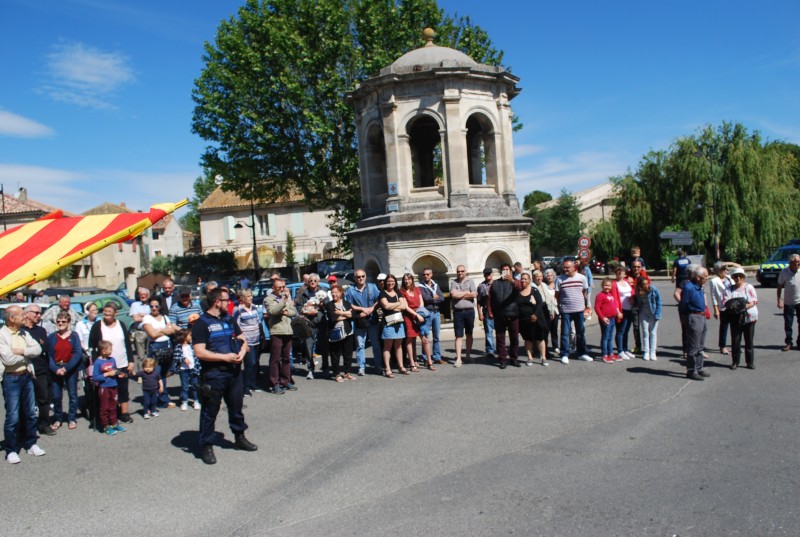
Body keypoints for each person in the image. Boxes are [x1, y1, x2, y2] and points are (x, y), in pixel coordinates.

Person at [192, 287, 257, 465]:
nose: (229, 303)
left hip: (234, 373)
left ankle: (239, 436)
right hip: (214, 374)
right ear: (216, 302)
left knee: (236, 408)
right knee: (209, 411)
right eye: (226, 300)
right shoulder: (201, 324)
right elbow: (199, 352)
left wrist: (242, 352)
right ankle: (206, 445)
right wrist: (224, 357)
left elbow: (243, 339)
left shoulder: (228, 319)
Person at [0, 305, 45, 463]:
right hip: (11, 378)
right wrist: (27, 352)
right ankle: (11, 450)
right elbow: (8, 359)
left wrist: (21, 351)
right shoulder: (2, 335)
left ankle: (31, 443)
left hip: (26, 376)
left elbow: (38, 349)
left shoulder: (24, 332)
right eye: (21, 315)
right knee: (13, 416)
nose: (25, 317)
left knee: (31, 413)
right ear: (12, 318)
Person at [89, 302, 135, 423]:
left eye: (110, 311)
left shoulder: (121, 324)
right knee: (108, 392)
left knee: (123, 389)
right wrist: (96, 363)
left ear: (116, 313)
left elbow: (127, 344)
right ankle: (108, 414)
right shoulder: (97, 326)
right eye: (105, 311)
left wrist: (131, 361)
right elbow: (92, 346)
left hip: (122, 362)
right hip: (106, 366)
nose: (107, 313)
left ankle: (124, 413)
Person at [21, 304, 56, 437]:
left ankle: (44, 424)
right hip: (25, 369)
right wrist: (37, 346)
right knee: (25, 400)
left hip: (41, 369)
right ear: (27, 313)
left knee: (43, 399)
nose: (38, 315)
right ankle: (25, 427)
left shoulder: (41, 330)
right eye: (35, 313)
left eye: (39, 313)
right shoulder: (21, 330)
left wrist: (38, 346)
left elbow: (46, 347)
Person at [48, 312, 82, 430]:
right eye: (58, 321)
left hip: (70, 369)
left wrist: (66, 368)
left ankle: (72, 418)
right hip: (56, 369)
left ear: (68, 322)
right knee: (56, 396)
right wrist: (56, 369)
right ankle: (58, 418)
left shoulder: (74, 336)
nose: (60, 324)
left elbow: (77, 353)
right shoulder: (52, 337)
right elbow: (49, 355)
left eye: (63, 321)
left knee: (72, 395)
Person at [345, 269, 381, 375]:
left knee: (375, 344)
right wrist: (363, 309)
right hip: (360, 321)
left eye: (362, 276)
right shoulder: (350, 290)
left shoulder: (372, 287)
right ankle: (361, 367)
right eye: (358, 277)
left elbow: (379, 300)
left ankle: (378, 366)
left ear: (365, 276)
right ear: (355, 278)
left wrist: (370, 309)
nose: (361, 278)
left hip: (372, 320)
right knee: (360, 345)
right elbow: (349, 304)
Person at [142, 298, 178, 408]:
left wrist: (160, 331)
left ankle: (162, 398)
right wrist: (164, 330)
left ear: (160, 307)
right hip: (155, 348)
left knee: (164, 374)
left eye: (156, 306)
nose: (154, 308)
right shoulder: (147, 318)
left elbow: (171, 331)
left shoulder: (165, 317)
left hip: (167, 347)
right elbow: (152, 334)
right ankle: (160, 399)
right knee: (155, 375)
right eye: (151, 306)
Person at [555, 259, 592, 363]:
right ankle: (564, 354)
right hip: (566, 310)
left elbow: (584, 292)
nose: (565, 269)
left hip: (579, 309)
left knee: (580, 332)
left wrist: (586, 306)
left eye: (567, 267)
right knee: (565, 333)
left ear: (573, 267)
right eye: (564, 267)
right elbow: (557, 295)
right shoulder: (560, 279)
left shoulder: (582, 278)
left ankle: (582, 353)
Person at [265, 278, 297, 394]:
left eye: (284, 287)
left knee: (287, 358)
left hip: (288, 330)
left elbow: (294, 311)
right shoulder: (269, 299)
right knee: (275, 359)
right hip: (277, 331)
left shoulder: (287, 298)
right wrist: (283, 302)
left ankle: (285, 380)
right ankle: (275, 383)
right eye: (279, 287)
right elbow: (273, 311)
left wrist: (287, 311)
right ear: (273, 288)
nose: (282, 289)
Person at [679, 265, 710, 381]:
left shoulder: (700, 286)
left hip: (701, 316)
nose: (707, 278)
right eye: (705, 276)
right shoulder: (689, 287)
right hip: (694, 317)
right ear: (698, 277)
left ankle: (699, 367)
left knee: (700, 346)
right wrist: (684, 317)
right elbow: (683, 304)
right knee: (694, 346)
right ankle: (691, 370)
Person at [723, 268, 758, 370]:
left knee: (749, 340)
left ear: (743, 277)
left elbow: (753, 301)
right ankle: (735, 362)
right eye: (735, 276)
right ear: (732, 278)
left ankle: (750, 362)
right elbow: (727, 303)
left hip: (749, 318)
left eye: (740, 276)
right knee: (735, 340)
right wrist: (740, 305)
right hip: (735, 318)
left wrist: (740, 307)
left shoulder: (749, 287)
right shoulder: (728, 289)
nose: (738, 278)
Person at [295, 273, 329, 377]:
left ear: (318, 282)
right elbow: (299, 306)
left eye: (314, 280)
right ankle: (311, 368)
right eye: (311, 281)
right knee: (308, 346)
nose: (313, 282)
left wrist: (320, 305)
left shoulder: (324, 292)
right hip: (309, 323)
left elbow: (329, 305)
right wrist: (306, 311)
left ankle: (325, 367)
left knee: (324, 346)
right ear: (308, 282)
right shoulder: (303, 293)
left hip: (322, 323)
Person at [488, 262, 520, 368]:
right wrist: (490, 311)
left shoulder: (515, 282)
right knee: (500, 338)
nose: (505, 271)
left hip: (513, 313)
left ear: (511, 271)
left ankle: (513, 358)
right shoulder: (495, 283)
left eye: (507, 269)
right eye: (503, 270)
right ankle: (502, 359)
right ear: (500, 271)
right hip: (500, 315)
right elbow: (490, 299)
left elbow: (520, 289)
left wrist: (512, 281)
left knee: (514, 338)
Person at [92, 340, 127, 436]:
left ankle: (114, 423)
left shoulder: (112, 360)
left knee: (113, 405)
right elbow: (95, 377)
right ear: (103, 351)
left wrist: (119, 374)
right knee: (105, 407)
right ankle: (105, 425)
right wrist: (107, 374)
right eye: (110, 349)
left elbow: (115, 370)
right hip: (104, 387)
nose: (111, 351)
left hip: (114, 385)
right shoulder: (98, 362)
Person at [399, 273, 433, 371]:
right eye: (405, 279)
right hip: (409, 317)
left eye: (409, 279)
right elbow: (405, 306)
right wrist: (416, 315)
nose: (407, 281)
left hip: (419, 316)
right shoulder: (402, 291)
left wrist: (420, 313)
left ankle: (429, 361)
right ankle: (412, 363)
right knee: (410, 340)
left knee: (425, 339)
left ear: (412, 280)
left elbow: (421, 301)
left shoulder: (417, 289)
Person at [233, 289, 262, 396]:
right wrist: (242, 343)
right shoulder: (238, 310)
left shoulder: (254, 307)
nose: (251, 298)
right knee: (250, 363)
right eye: (248, 296)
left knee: (256, 363)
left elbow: (258, 322)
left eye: (251, 296)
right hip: (247, 341)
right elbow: (236, 327)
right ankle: (245, 386)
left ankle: (253, 383)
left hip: (256, 340)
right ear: (243, 299)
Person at [379, 274, 407, 377]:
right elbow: (385, 306)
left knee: (399, 346)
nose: (390, 283)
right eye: (388, 281)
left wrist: (392, 306)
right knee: (388, 346)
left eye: (392, 281)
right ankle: (387, 368)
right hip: (388, 323)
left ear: (395, 282)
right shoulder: (382, 293)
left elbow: (404, 306)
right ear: (386, 282)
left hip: (398, 322)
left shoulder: (398, 292)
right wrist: (397, 304)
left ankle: (401, 366)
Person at [326, 284, 356, 382]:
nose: (334, 294)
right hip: (335, 332)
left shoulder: (346, 303)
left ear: (341, 293)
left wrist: (340, 313)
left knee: (348, 353)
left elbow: (353, 314)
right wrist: (346, 314)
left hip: (347, 331)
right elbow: (333, 318)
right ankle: (336, 374)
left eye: (336, 292)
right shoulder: (330, 305)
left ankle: (347, 373)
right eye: (332, 292)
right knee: (335, 354)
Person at [518, 273, 549, 366]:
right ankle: (529, 357)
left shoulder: (534, 290)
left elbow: (540, 303)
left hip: (536, 318)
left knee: (540, 338)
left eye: (525, 279)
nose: (523, 281)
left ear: (529, 280)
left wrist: (535, 314)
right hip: (524, 320)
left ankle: (543, 357)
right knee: (528, 339)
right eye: (522, 279)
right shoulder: (518, 292)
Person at [450, 265, 477, 367]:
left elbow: (474, 294)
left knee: (469, 334)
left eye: (462, 271)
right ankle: (458, 358)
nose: (460, 273)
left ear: (465, 271)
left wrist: (460, 294)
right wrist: (466, 292)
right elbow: (453, 295)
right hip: (458, 312)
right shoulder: (453, 282)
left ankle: (468, 355)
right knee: (458, 335)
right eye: (458, 271)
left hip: (469, 311)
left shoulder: (471, 281)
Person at [418, 267, 445, 364]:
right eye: (424, 274)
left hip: (436, 312)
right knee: (426, 336)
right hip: (427, 312)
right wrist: (433, 298)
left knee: (436, 336)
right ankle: (426, 358)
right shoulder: (421, 286)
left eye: (428, 274)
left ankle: (437, 357)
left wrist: (433, 298)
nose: (426, 276)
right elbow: (426, 298)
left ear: (431, 274)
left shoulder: (436, 285)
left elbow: (441, 298)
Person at [634, 275, 662, 361]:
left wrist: (657, 314)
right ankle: (646, 352)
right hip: (643, 313)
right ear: (640, 285)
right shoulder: (638, 292)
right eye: (644, 284)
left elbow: (659, 302)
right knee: (645, 332)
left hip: (653, 313)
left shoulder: (654, 289)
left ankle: (652, 352)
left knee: (653, 333)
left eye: (647, 283)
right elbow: (638, 303)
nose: (646, 286)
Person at [173, 328, 201, 410]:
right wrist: (183, 359)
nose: (191, 336)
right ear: (184, 337)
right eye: (189, 335)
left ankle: (196, 401)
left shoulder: (192, 346)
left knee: (195, 385)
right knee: (185, 386)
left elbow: (196, 356)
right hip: (183, 369)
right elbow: (176, 357)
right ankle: (184, 402)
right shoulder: (178, 347)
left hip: (193, 368)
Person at [776, 253, 800, 351]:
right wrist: (779, 299)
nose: (798, 264)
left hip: (799, 302)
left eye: (799, 262)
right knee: (788, 324)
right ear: (790, 263)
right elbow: (779, 286)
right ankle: (788, 342)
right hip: (788, 302)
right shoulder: (784, 272)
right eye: (795, 262)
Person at [709, 262, 734, 355]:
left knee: (735, 326)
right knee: (724, 326)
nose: (725, 271)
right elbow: (713, 296)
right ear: (717, 271)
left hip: (733, 305)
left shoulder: (730, 278)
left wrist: (730, 263)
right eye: (722, 269)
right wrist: (716, 309)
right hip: (723, 306)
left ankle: (735, 345)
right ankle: (722, 346)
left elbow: (740, 268)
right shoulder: (714, 281)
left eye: (725, 269)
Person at [611, 265, 635, 360]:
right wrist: (617, 311)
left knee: (626, 330)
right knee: (620, 330)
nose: (620, 273)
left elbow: (632, 292)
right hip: (621, 310)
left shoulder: (627, 282)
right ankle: (620, 350)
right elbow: (614, 298)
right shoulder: (614, 283)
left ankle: (625, 349)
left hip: (630, 308)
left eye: (622, 271)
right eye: (618, 271)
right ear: (615, 273)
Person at [594, 278, 621, 364]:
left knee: (610, 337)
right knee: (605, 337)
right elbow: (597, 308)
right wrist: (602, 317)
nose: (607, 287)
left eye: (609, 286)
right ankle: (604, 354)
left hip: (612, 318)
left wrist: (617, 313)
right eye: (605, 285)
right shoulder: (600, 295)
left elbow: (613, 305)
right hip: (606, 319)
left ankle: (611, 353)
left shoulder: (610, 294)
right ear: (602, 286)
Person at [129, 287, 153, 369]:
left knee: (150, 353)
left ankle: (151, 371)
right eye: (141, 294)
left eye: (145, 294)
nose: (143, 296)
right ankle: (141, 373)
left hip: (151, 331)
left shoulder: (152, 304)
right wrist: (148, 316)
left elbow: (155, 317)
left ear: (148, 295)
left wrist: (142, 315)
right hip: (140, 332)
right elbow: (136, 319)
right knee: (140, 355)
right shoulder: (134, 305)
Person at [477, 268, 496, 360]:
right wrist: (480, 313)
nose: (487, 275)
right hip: (486, 310)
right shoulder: (481, 286)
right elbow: (478, 301)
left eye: (489, 274)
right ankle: (490, 350)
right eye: (486, 274)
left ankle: (500, 349)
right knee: (489, 332)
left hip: (497, 310)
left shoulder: (497, 284)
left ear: (492, 274)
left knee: (500, 331)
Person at [543, 268, 560, 355]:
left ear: (554, 276)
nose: (549, 277)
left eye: (551, 275)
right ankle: (544, 347)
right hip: (547, 311)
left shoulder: (557, 285)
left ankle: (555, 346)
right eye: (548, 275)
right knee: (546, 330)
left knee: (554, 330)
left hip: (555, 310)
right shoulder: (543, 286)